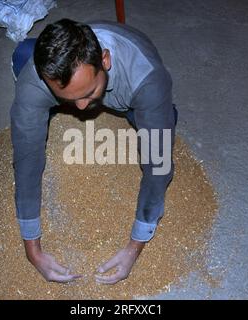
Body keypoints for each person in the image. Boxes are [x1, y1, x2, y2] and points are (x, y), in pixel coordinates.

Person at [10, 18, 178, 284]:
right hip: (64, 79)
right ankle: (68, 92)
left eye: (88, 92)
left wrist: (134, 248)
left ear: (105, 61)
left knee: (158, 137)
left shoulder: (147, 79)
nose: (80, 109)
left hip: (132, 95)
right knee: (21, 56)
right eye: (68, 98)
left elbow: (158, 169)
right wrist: (33, 251)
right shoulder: (38, 74)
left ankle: (154, 112)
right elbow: (26, 159)